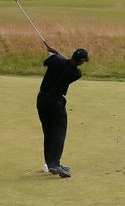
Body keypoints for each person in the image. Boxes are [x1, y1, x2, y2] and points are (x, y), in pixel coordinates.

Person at [37, 45, 89, 178]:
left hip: (41, 100)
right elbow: (67, 64)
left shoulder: (55, 60)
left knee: (48, 132)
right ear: (81, 61)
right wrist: (57, 53)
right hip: (56, 103)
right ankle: (54, 164)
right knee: (59, 132)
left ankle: (51, 163)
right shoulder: (76, 74)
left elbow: (49, 62)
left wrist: (55, 54)